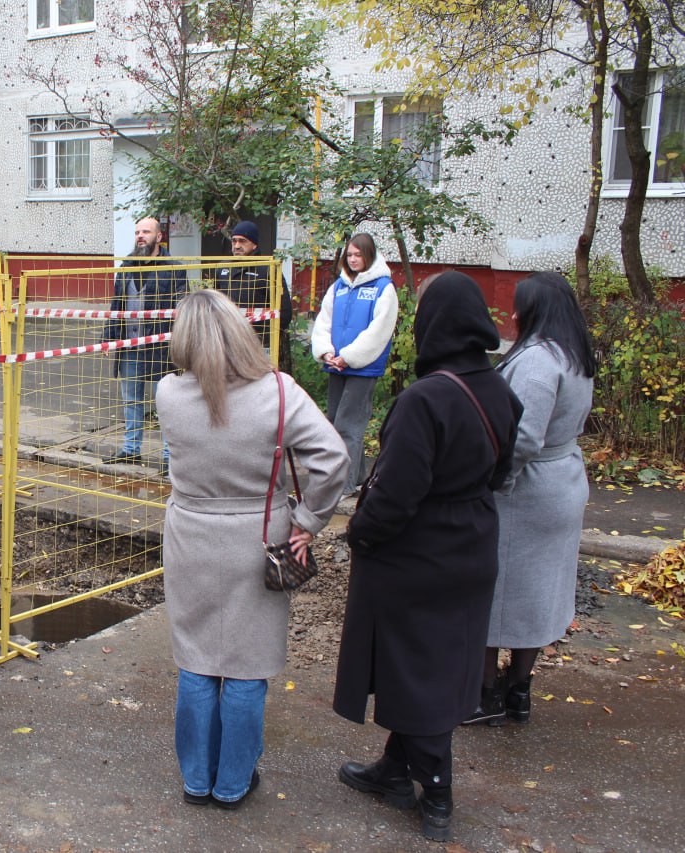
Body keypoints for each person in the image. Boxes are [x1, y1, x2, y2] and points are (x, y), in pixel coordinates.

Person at [333, 271, 522, 843]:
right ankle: (395, 768)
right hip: (472, 543)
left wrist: (359, 534)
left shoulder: (426, 398)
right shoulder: (500, 388)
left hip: (416, 551)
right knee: (435, 660)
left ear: (433, 325)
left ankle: (436, 786)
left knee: (416, 667)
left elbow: (394, 494)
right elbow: (502, 472)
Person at [156, 289, 348, 808]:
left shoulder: (167, 394)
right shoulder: (279, 393)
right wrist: (309, 520)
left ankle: (197, 779)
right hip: (260, 537)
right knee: (246, 663)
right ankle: (234, 783)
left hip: (190, 534)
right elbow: (333, 459)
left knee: (196, 657)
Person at [463, 272, 596, 727]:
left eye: (520, 306)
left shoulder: (539, 361)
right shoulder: (573, 354)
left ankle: (485, 696)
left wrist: (495, 484)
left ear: (537, 309)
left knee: (496, 590)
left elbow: (521, 439)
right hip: (562, 482)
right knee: (539, 593)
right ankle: (518, 689)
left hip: (528, 494)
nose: (514, 314)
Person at [309, 233, 399, 496]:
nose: (353, 259)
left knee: (349, 425)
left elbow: (379, 331)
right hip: (336, 364)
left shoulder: (383, 288)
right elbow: (324, 321)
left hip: (362, 367)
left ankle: (343, 486)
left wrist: (349, 356)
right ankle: (357, 475)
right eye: (349, 255)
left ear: (369, 255)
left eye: (358, 255)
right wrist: (326, 352)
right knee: (336, 420)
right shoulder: (338, 287)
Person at [102, 216, 186, 473]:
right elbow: (117, 304)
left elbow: (181, 306)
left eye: (146, 232)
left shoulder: (174, 267)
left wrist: (178, 342)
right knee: (131, 400)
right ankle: (130, 450)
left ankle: (168, 457)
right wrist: (110, 337)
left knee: (166, 402)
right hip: (130, 344)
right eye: (137, 231)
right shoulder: (126, 265)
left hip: (161, 346)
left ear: (159, 237)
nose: (140, 236)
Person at [213, 220, 293, 372]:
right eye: (234, 241)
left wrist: (264, 338)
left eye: (242, 241)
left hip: (258, 347)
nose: (236, 246)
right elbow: (214, 305)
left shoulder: (268, 270)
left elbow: (284, 313)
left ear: (254, 244)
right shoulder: (222, 268)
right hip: (227, 344)